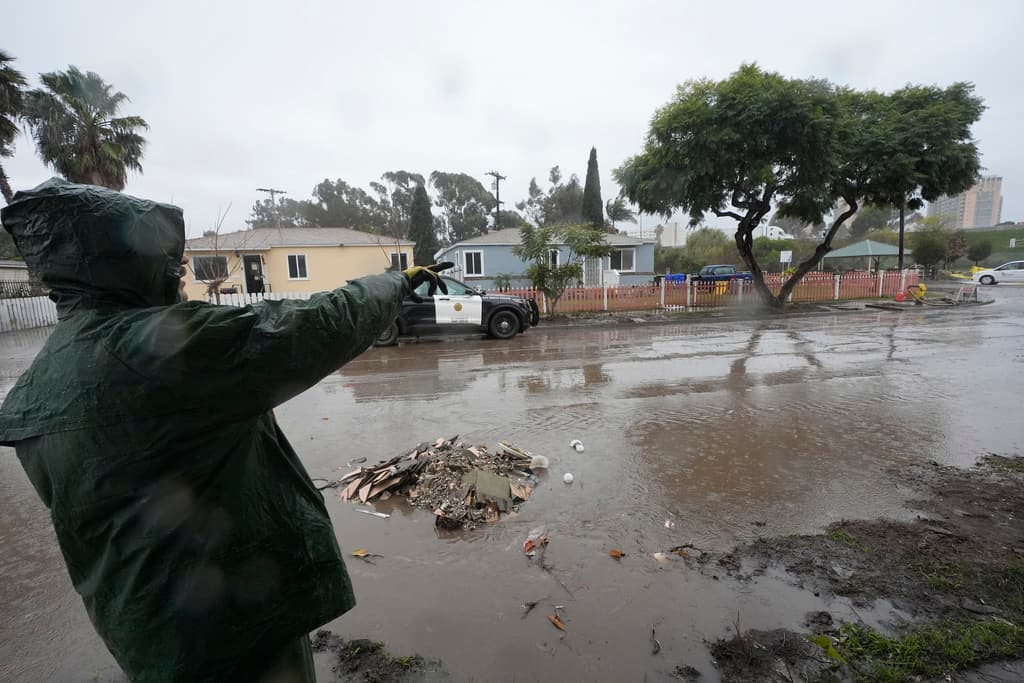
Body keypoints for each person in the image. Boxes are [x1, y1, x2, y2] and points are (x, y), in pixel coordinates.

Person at [0, 178, 451, 682]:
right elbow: (310, 327)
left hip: (144, 627)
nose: (180, 277)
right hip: (234, 619)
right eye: (170, 266)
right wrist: (395, 282)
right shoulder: (157, 348)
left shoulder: (37, 386)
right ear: (126, 267)